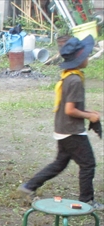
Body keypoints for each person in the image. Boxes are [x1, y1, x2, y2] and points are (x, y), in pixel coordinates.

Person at [18, 35, 102, 210]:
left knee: (60, 163)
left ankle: (29, 186)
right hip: (72, 130)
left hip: (63, 128)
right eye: (85, 55)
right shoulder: (75, 80)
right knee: (88, 164)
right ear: (79, 59)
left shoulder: (69, 76)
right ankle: (86, 200)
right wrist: (89, 116)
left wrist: (89, 112)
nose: (87, 58)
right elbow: (70, 109)